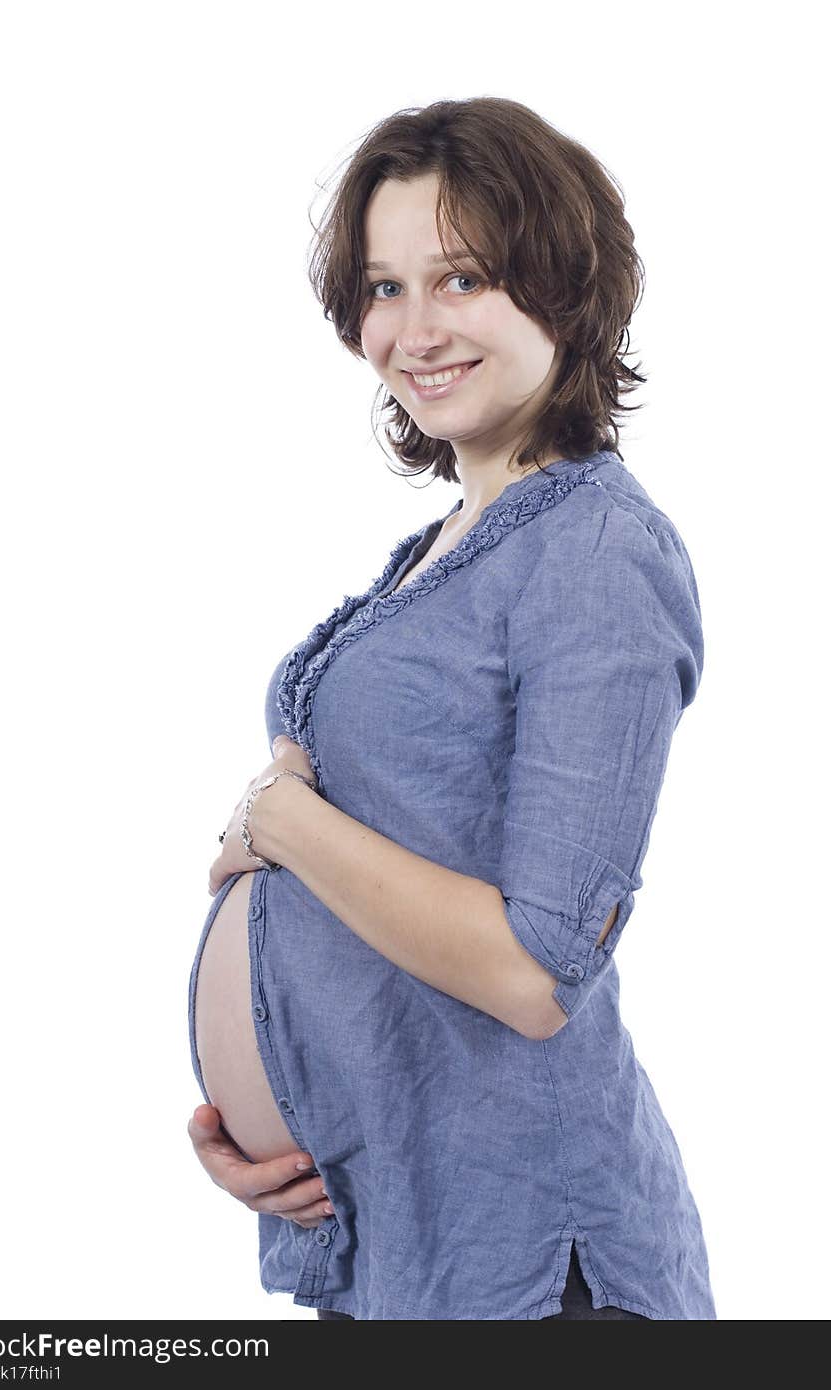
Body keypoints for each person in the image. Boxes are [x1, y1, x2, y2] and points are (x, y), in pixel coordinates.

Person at [187, 96, 716, 1321]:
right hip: (397, 1228)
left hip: (532, 1262)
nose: (410, 330)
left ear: (563, 285)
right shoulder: (448, 545)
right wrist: (274, 1123)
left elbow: (534, 972)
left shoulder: (596, 552)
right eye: (381, 288)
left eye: (460, 277)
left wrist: (281, 822)